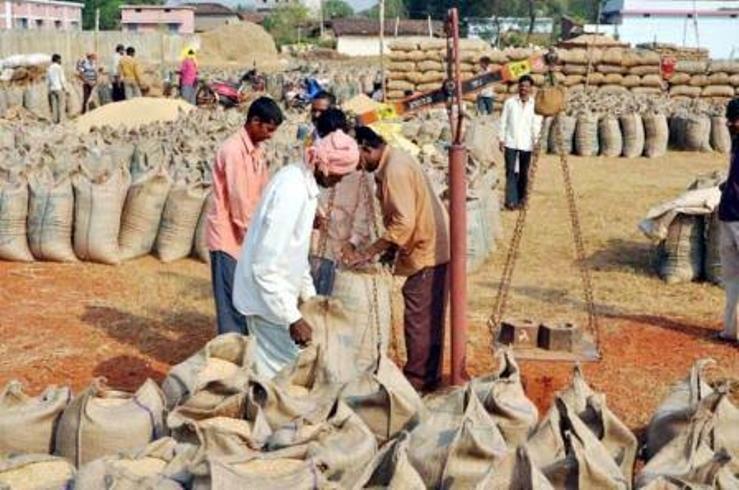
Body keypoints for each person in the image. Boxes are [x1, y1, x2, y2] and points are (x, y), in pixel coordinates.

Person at [233, 121, 360, 378]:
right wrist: (293, 318)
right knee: (283, 375)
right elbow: (265, 266)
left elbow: (295, 256)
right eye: (339, 174)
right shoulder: (291, 190)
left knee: (292, 371)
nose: (338, 181)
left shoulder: (303, 185)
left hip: (278, 300)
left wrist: (310, 299)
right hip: (267, 302)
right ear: (326, 166)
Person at [346, 126, 450, 393]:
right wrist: (390, 251)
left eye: (357, 155)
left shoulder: (394, 170)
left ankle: (418, 382)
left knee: (419, 317)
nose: (356, 164)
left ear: (367, 148)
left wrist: (369, 252)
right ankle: (427, 377)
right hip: (427, 244)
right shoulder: (393, 162)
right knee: (427, 316)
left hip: (426, 249)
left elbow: (403, 223)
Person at [206, 97, 284, 336]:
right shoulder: (233, 151)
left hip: (247, 236)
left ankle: (244, 349)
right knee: (231, 302)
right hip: (229, 237)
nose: (270, 135)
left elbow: (262, 190)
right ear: (254, 121)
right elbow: (239, 201)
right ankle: (232, 356)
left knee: (246, 298)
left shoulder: (257, 151)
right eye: (268, 129)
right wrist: (258, 236)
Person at [308, 108, 371, 295]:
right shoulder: (318, 161)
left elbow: (364, 212)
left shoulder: (356, 165)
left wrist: (353, 242)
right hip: (322, 244)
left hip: (350, 248)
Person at [498, 75, 542, 210]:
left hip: (526, 143)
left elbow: (536, 124)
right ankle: (510, 201)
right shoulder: (510, 102)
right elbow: (503, 121)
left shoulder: (535, 105)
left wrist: (536, 141)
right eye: (521, 86)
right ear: (518, 87)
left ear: (531, 88)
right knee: (510, 171)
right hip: (511, 141)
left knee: (523, 172)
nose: (524, 89)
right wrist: (501, 138)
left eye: (526, 86)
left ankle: (522, 200)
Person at [716, 97, 739, 344]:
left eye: (734, 120)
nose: (730, 124)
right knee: (732, 279)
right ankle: (732, 331)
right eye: (729, 120)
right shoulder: (736, 144)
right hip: (729, 215)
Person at [46, 54, 67, 124]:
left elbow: (48, 81)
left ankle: (54, 121)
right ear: (57, 60)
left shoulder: (49, 68)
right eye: (60, 59)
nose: (61, 61)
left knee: (54, 106)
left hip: (52, 89)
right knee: (61, 105)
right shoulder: (59, 68)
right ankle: (61, 121)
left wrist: (48, 89)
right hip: (59, 88)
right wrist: (65, 88)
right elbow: (62, 79)